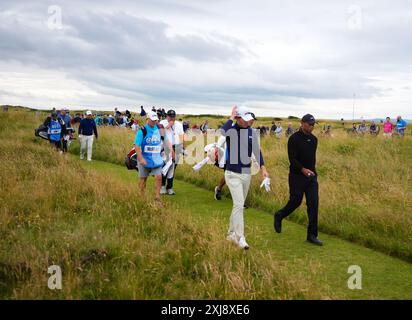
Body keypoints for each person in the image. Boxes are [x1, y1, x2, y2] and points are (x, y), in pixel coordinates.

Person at [220, 106, 269, 250]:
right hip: (232, 173)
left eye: (251, 120)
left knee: (238, 205)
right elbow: (223, 131)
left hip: (246, 173)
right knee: (239, 204)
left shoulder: (250, 132)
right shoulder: (231, 130)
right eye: (246, 120)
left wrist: (263, 169)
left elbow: (256, 151)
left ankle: (230, 234)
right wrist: (231, 117)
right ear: (238, 118)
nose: (249, 122)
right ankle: (240, 237)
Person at [274, 114, 323, 246]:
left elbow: (311, 159)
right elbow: (292, 159)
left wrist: (311, 172)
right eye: (309, 124)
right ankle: (279, 215)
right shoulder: (293, 139)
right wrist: (303, 170)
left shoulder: (314, 140)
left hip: (311, 177)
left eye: (313, 124)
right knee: (295, 202)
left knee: (313, 204)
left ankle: (312, 235)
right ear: (302, 123)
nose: (312, 127)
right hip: (297, 176)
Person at [134, 111, 172, 202]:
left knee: (158, 177)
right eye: (152, 120)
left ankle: (157, 198)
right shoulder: (142, 130)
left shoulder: (160, 129)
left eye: (156, 120)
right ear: (147, 119)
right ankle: (141, 198)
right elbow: (137, 146)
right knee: (143, 179)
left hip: (156, 159)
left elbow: (166, 141)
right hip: (144, 159)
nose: (154, 122)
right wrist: (140, 158)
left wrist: (172, 151)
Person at [159, 110, 184, 195]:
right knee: (165, 167)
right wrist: (168, 126)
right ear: (167, 116)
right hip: (166, 147)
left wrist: (182, 146)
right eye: (170, 116)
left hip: (176, 147)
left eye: (173, 116)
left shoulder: (179, 124)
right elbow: (160, 134)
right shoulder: (162, 122)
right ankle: (162, 186)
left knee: (172, 168)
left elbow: (181, 135)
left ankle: (169, 187)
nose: (172, 118)